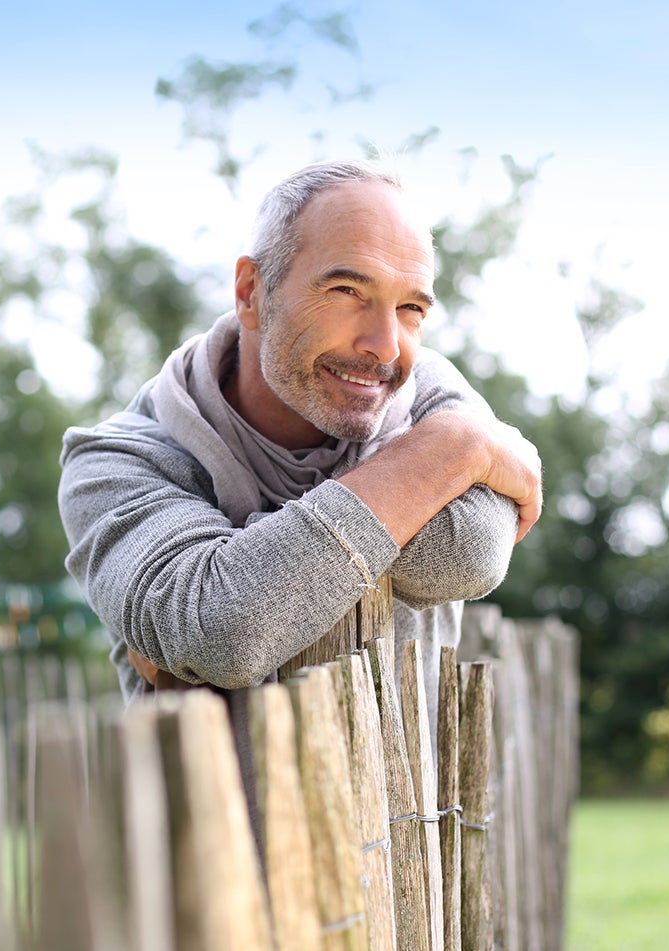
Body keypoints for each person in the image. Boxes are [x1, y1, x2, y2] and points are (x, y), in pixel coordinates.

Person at [58, 160, 542, 700]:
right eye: (345, 291)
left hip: (404, 788)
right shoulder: (115, 460)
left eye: (410, 308)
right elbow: (228, 633)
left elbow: (465, 556)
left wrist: (240, 580)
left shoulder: (429, 395)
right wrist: (453, 451)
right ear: (251, 294)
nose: (384, 346)